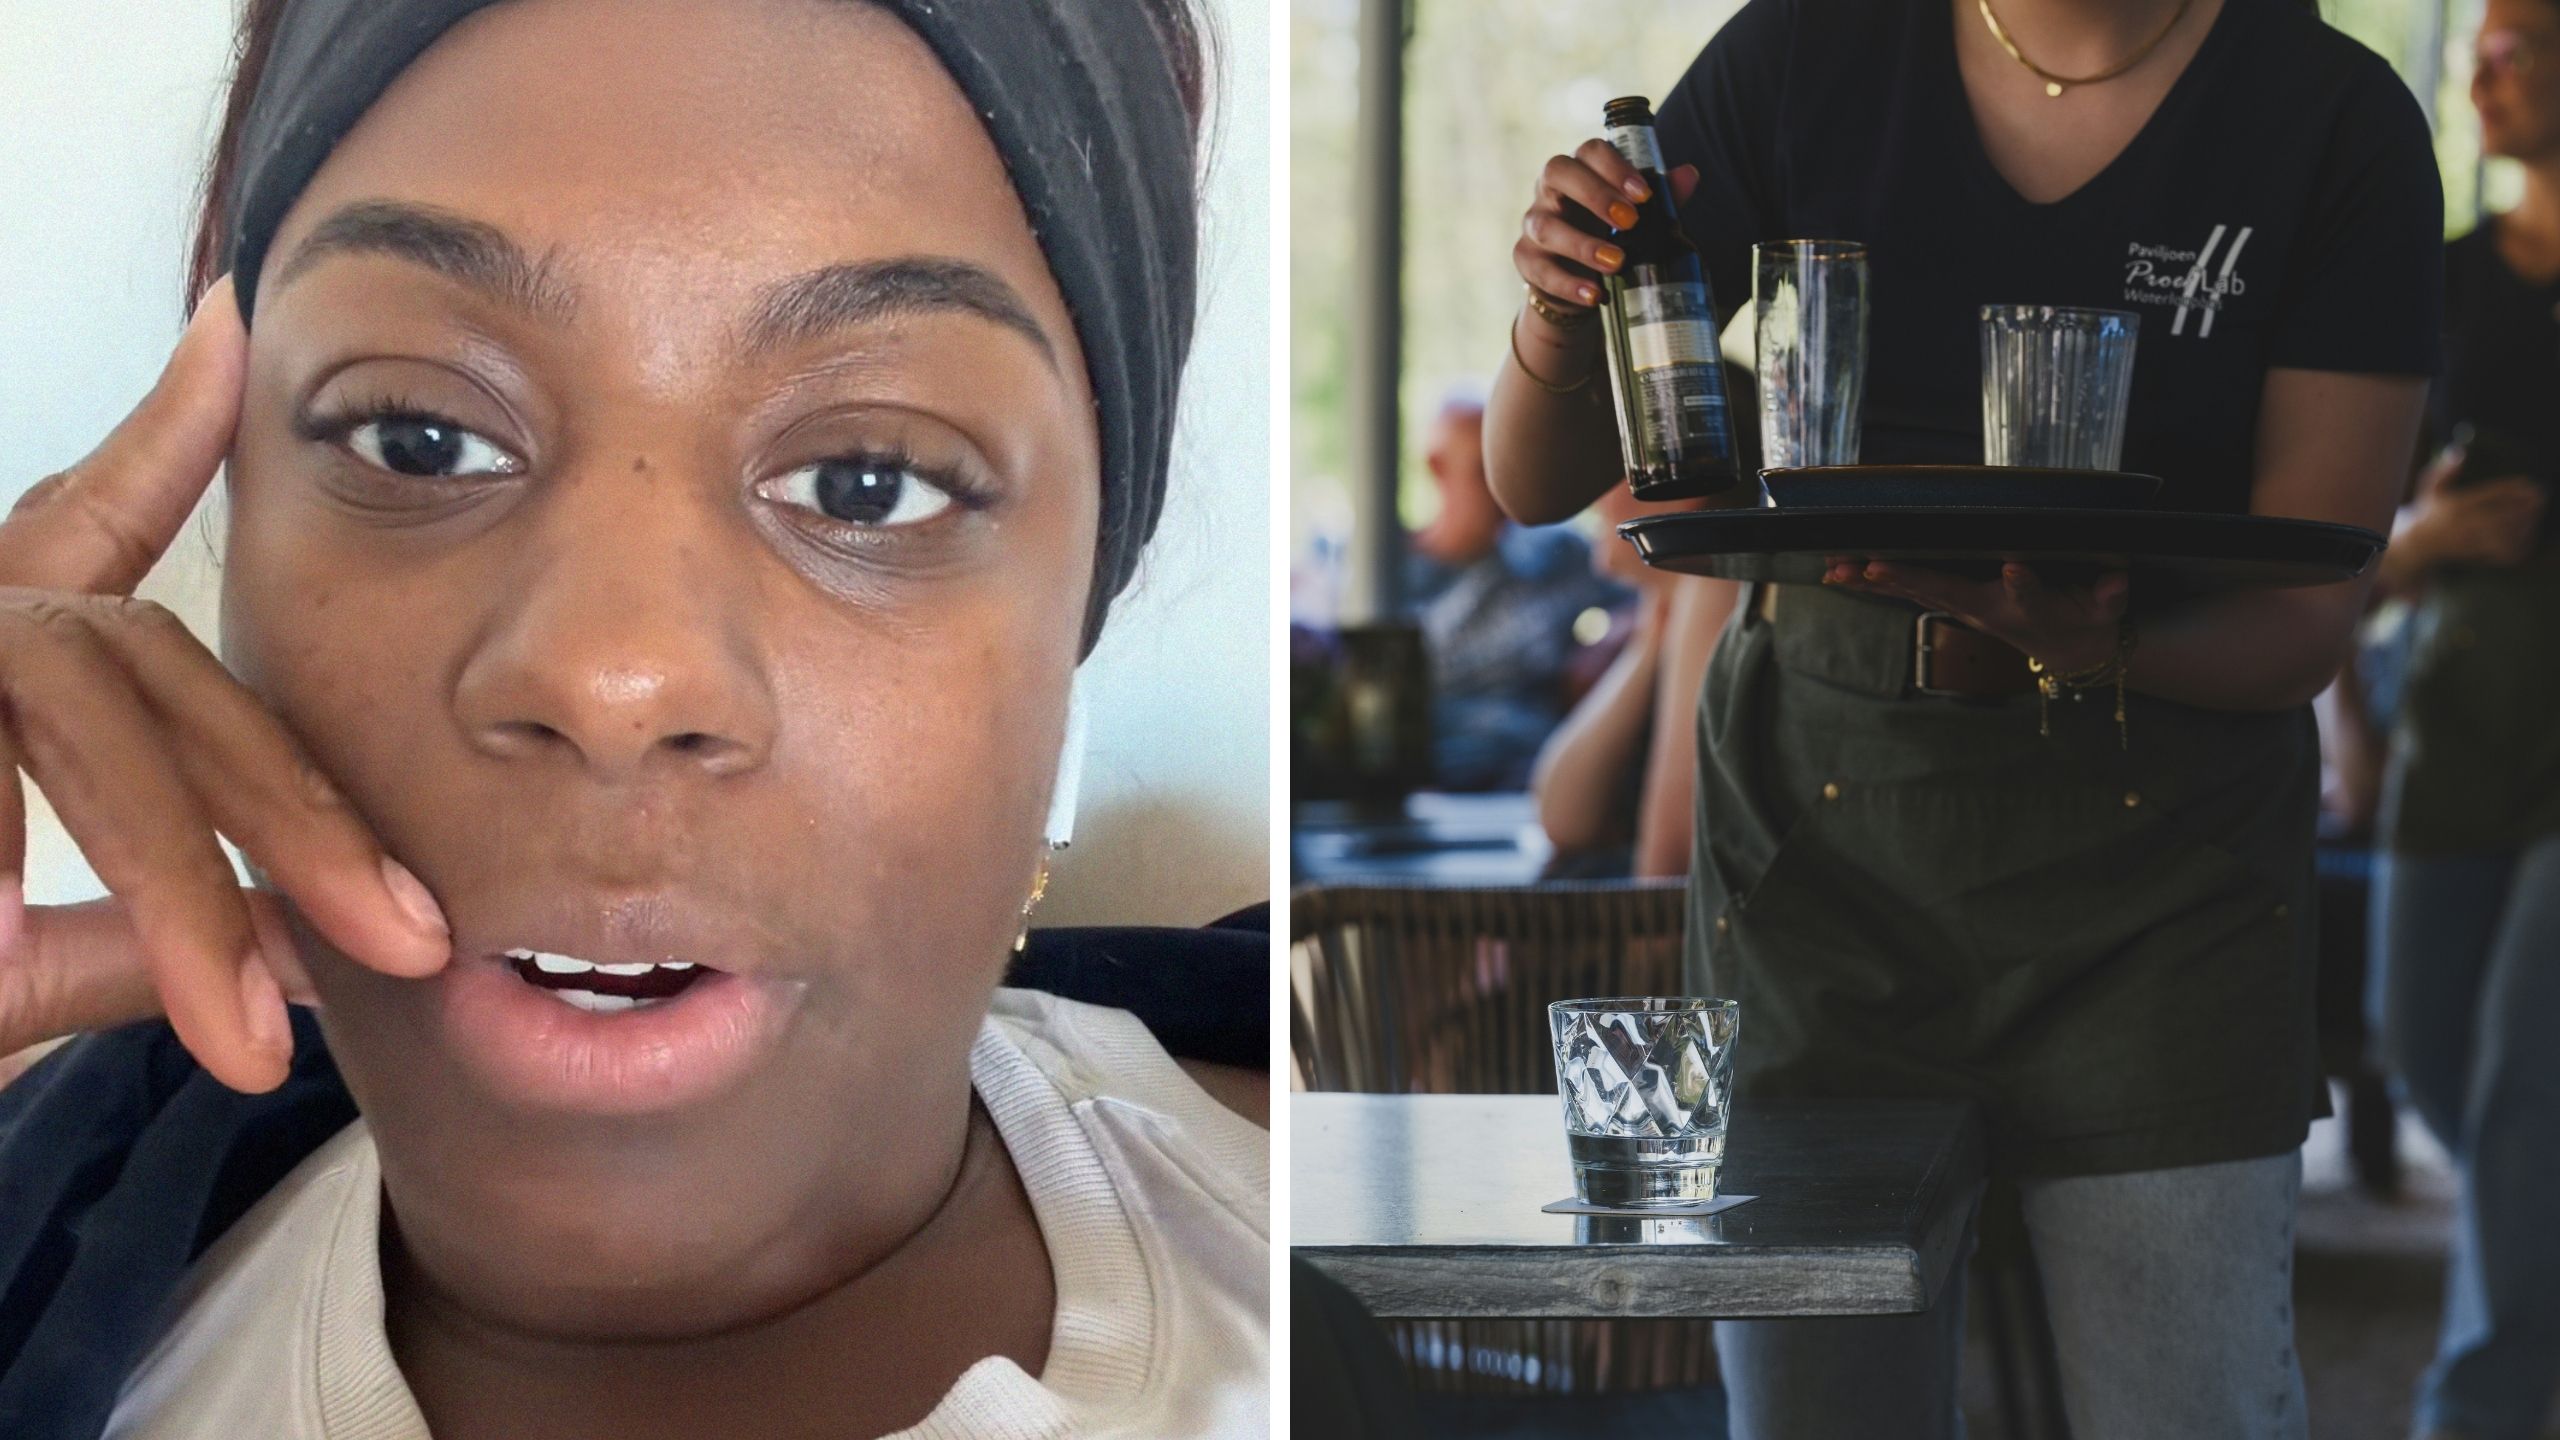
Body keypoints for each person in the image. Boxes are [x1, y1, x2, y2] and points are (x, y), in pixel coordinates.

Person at [0, 3, 1267, 1438]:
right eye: (420, 439)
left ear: (1082, 593)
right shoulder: (48, 1229)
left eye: (867, 482)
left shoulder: (1396, 1238)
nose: (615, 677)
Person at [1484, 0, 2441, 1435]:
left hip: (2166, 871)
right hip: (1820, 845)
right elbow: (1531, 479)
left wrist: (2101, 645)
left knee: (2197, 1409)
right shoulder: (1806, 54)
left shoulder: (2332, 119)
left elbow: (2307, 614)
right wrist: (1563, 311)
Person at [2364, 3, 2560, 1434]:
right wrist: (2422, 547)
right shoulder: (2432, 289)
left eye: (2522, 42)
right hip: (2452, 744)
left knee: (2517, 1097)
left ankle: (2473, 1409)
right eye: (2479, 48)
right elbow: (2343, 548)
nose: (2486, 70)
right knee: (2430, 1049)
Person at [1407, 390, 1624, 791]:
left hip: (1536, 778)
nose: (1503, 488)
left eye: (1510, 467)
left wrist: (1610, 644)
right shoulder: (1383, 578)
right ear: (1437, 468)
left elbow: (1652, 595)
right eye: (1484, 470)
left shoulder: (1556, 556)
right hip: (1427, 784)